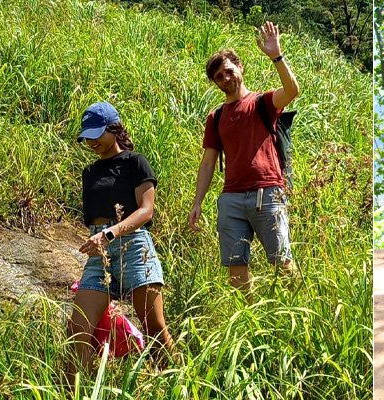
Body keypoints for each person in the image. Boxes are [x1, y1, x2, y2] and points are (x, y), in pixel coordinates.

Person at [66, 101, 175, 383]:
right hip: (99, 253)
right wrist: (98, 237)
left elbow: (146, 210)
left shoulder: (134, 162)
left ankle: (176, 383)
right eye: (87, 137)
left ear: (114, 129)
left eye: (97, 134)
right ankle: (87, 388)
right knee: (77, 330)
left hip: (133, 245)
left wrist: (110, 233)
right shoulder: (89, 172)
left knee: (155, 328)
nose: (91, 142)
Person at [188, 21, 301, 293]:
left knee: (283, 263)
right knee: (236, 269)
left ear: (240, 68)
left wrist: (276, 55)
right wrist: (197, 202)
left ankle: (298, 317)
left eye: (228, 71)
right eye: (218, 77)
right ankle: (253, 327)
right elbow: (208, 163)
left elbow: (292, 91)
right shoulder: (215, 118)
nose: (225, 79)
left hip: (267, 193)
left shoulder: (262, 102)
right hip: (231, 200)